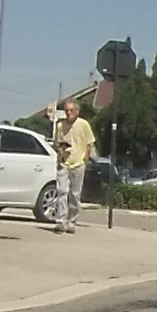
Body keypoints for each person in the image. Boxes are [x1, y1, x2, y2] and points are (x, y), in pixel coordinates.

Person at [51, 99, 97, 234]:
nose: (68, 113)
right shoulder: (60, 126)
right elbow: (56, 142)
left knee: (74, 195)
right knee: (62, 192)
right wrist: (59, 149)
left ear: (77, 111)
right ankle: (61, 221)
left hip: (78, 163)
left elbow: (89, 143)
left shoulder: (83, 124)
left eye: (71, 110)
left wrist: (85, 160)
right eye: (66, 110)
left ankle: (72, 221)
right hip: (63, 163)